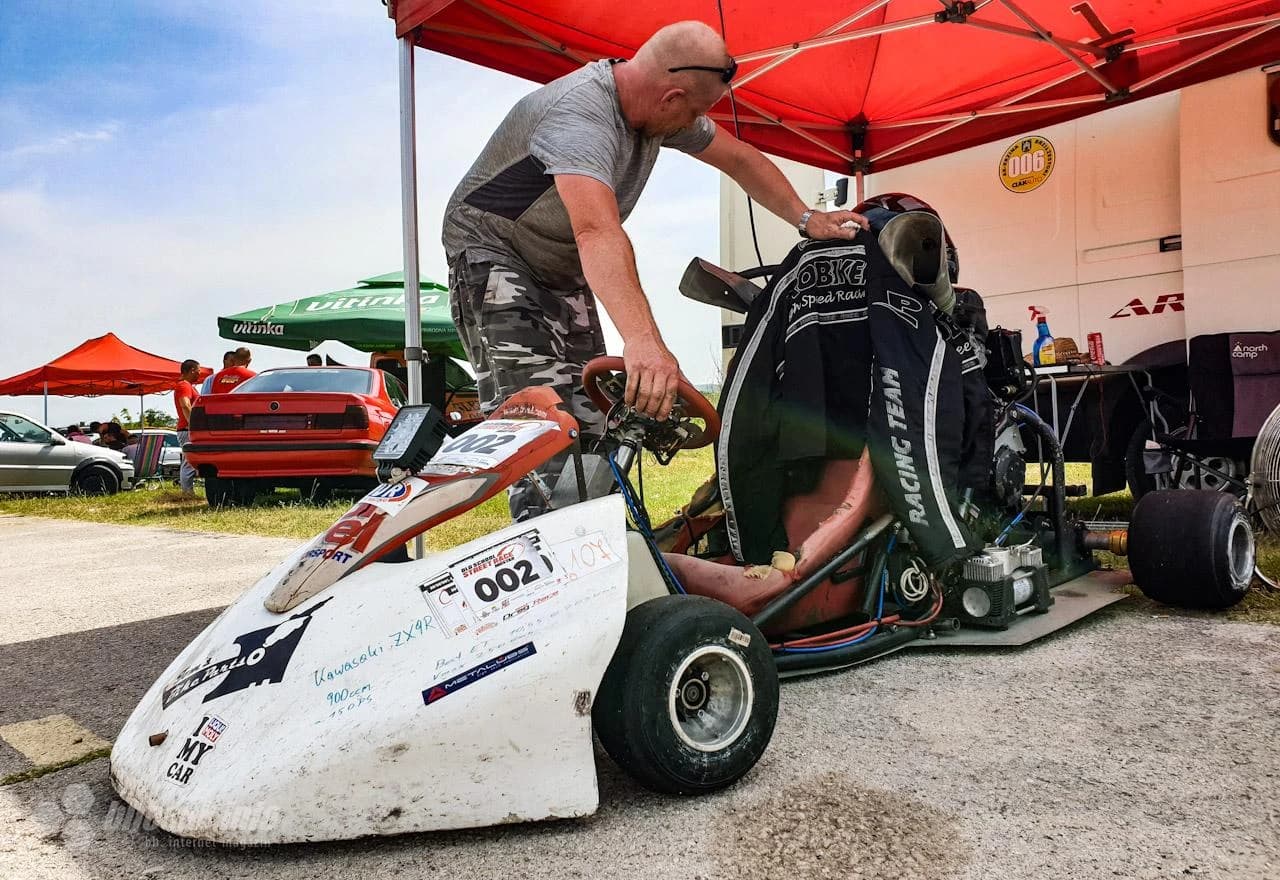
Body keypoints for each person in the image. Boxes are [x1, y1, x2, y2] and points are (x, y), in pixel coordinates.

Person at [443, 20, 867, 520]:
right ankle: (545, 554)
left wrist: (805, 216)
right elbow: (597, 233)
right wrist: (643, 342)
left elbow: (739, 158)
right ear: (671, 97)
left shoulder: (657, 105)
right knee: (541, 423)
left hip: (561, 263)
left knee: (594, 417)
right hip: (495, 255)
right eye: (694, 110)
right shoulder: (580, 116)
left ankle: (594, 540)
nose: (696, 122)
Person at [174, 358, 201, 495]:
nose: (199, 374)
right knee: (188, 462)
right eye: (198, 371)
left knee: (189, 461)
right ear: (192, 370)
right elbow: (185, 404)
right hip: (187, 429)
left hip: (186, 428)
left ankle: (187, 492)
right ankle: (187, 493)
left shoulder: (187, 385)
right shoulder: (184, 385)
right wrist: (194, 424)